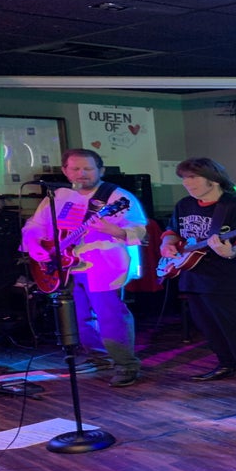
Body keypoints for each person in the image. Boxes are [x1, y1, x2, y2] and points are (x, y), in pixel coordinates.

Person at [21, 148, 148, 388]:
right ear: (65, 171)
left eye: (88, 168)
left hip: (103, 263)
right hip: (66, 265)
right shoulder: (59, 195)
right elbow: (36, 225)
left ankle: (125, 364)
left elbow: (139, 230)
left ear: (100, 170)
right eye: (76, 168)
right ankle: (98, 356)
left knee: (110, 315)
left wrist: (114, 230)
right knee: (78, 315)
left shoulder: (117, 197)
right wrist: (35, 245)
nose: (82, 173)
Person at [159, 157, 236, 388]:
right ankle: (227, 363)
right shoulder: (184, 204)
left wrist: (231, 252)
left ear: (214, 179)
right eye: (184, 178)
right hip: (193, 276)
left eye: (193, 177)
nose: (187, 183)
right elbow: (172, 231)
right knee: (208, 325)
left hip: (230, 279)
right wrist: (167, 244)